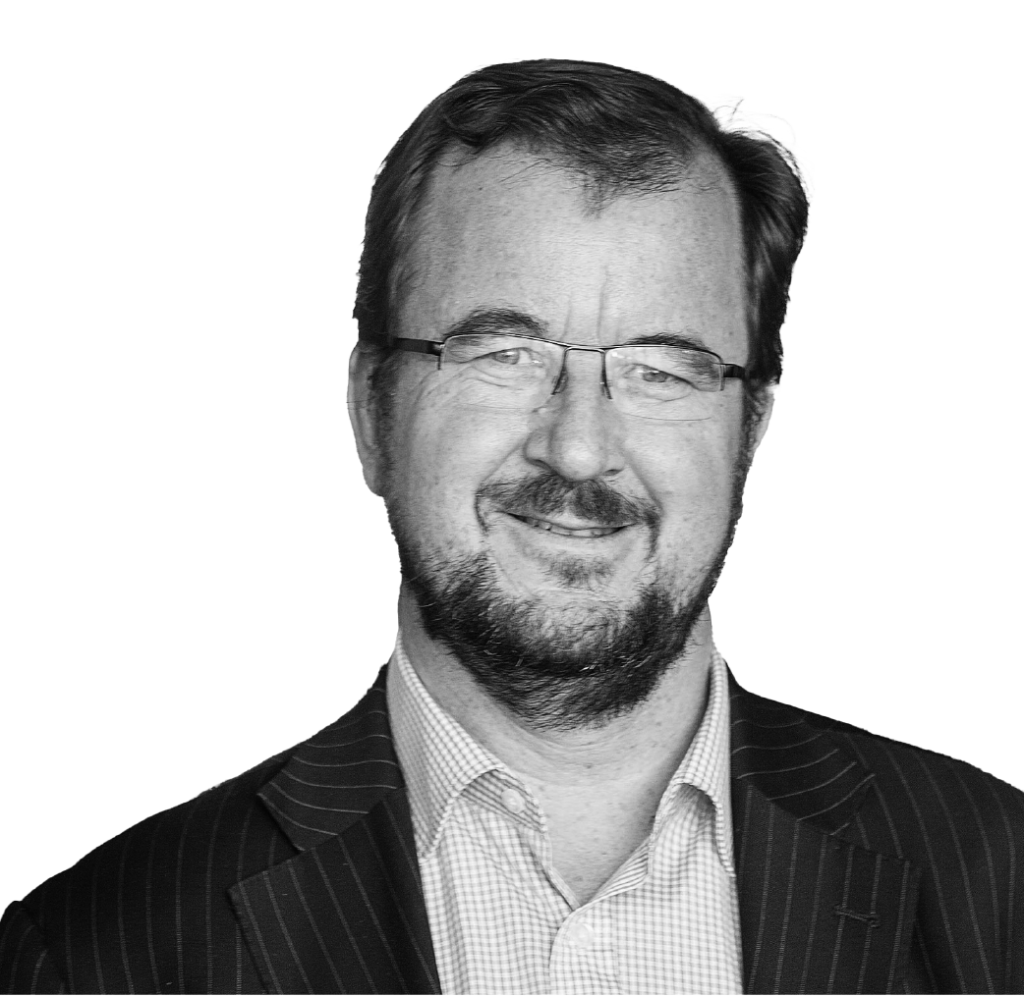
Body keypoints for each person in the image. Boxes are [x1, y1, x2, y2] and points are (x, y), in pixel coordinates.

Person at [2, 59, 1019, 996]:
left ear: (752, 419)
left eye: (661, 370)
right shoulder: (96, 951)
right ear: (371, 407)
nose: (577, 448)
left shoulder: (1003, 877)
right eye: (503, 354)